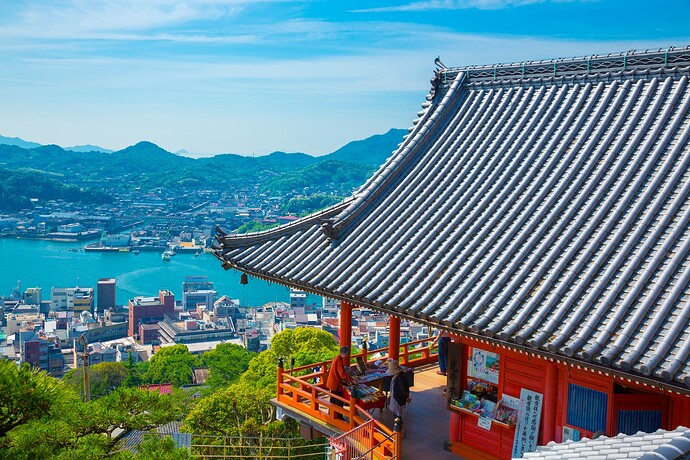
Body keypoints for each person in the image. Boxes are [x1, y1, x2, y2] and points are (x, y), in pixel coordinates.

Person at [327, 346, 354, 420]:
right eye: (348, 354)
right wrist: (351, 380)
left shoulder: (336, 358)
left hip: (332, 382)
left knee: (333, 400)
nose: (348, 355)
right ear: (345, 353)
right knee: (339, 401)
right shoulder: (339, 360)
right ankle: (339, 417)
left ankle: (331, 414)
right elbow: (342, 374)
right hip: (336, 383)